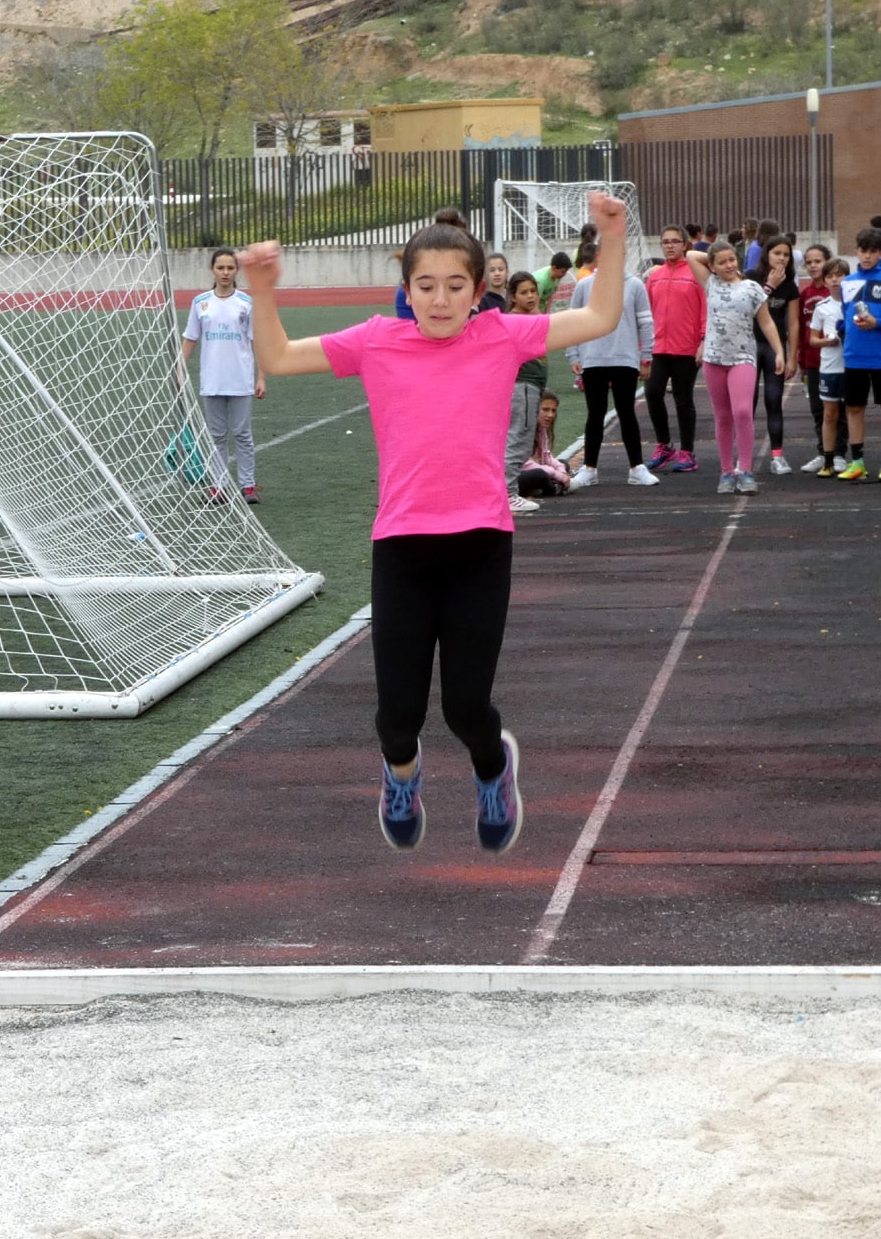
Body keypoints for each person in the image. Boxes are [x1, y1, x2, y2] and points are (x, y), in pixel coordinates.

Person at [239, 192, 634, 855]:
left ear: (480, 290)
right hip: (401, 547)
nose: (440, 299)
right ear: (407, 290)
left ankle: (492, 772)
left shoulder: (502, 334)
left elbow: (598, 313)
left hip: (480, 545)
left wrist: (613, 234)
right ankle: (401, 779)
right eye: (426, 286)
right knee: (397, 719)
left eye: (455, 285)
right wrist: (259, 289)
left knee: (464, 709)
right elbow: (277, 358)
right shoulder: (375, 341)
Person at [685, 239, 784, 495]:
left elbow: (767, 323)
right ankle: (727, 471)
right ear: (712, 266)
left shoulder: (751, 288)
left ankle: (746, 470)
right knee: (723, 416)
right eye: (722, 261)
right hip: (714, 359)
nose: (729, 265)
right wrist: (711, 257)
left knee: (742, 411)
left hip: (743, 358)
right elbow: (690, 255)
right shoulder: (710, 283)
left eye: (732, 259)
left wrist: (779, 351)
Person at [566, 242, 656, 488]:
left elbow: (645, 323)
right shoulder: (585, 286)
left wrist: (646, 355)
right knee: (595, 414)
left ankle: (637, 467)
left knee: (627, 413)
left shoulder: (635, 286)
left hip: (625, 359)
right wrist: (573, 354)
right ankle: (589, 469)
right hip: (593, 359)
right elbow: (573, 321)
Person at [180, 247, 265, 506]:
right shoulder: (200, 303)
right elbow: (190, 338)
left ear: (237, 271)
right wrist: (179, 369)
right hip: (212, 380)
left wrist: (261, 377)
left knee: (242, 434)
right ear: (212, 270)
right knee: (216, 435)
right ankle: (218, 485)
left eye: (230, 268)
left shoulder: (247, 303)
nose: (225, 273)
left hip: (240, 379)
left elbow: (257, 342)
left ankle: (248, 485)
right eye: (221, 268)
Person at [835, 226, 881, 481]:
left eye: (872, 252)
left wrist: (877, 324)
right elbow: (846, 316)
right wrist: (843, 328)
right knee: (854, 407)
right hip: (854, 355)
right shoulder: (847, 283)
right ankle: (857, 462)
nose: (866, 256)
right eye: (862, 251)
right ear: (856, 252)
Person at [643, 226, 704, 472]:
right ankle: (665, 445)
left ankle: (687, 452)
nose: (669, 246)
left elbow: (705, 310)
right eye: (665, 242)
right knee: (653, 392)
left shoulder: (695, 275)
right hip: (658, 348)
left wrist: (703, 340)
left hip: (685, 349)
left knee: (683, 399)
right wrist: (642, 347)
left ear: (685, 245)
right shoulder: (654, 277)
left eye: (675, 241)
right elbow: (645, 314)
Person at [752, 235, 801, 475]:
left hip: (775, 349)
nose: (781, 258)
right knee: (745, 405)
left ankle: (777, 456)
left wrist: (792, 357)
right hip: (749, 348)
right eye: (777, 253)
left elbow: (793, 323)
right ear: (766, 255)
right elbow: (747, 308)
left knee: (774, 400)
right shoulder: (751, 277)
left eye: (785, 254)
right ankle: (744, 456)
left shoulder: (790, 285)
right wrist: (768, 284)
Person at [795, 244, 845, 468]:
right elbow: (801, 329)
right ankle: (823, 451)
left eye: (818, 261)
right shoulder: (805, 294)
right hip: (813, 361)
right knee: (818, 409)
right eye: (809, 262)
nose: (813, 266)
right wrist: (801, 360)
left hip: (837, 361)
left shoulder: (835, 293)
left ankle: (840, 453)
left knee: (839, 409)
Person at [504, 272, 549, 515]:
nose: (531, 296)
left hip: (529, 388)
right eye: (524, 292)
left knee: (518, 442)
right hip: (523, 388)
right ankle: (508, 494)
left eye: (533, 290)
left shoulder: (530, 317)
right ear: (513, 296)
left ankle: (506, 493)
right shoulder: (516, 320)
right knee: (518, 443)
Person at [808, 257, 851, 476]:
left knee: (852, 412)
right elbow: (813, 339)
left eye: (839, 275)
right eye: (830, 276)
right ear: (825, 281)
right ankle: (828, 457)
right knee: (829, 414)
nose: (835, 280)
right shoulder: (821, 307)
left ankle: (845, 456)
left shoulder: (854, 304)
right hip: (829, 367)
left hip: (851, 367)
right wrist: (826, 341)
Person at [517, 391, 574, 499]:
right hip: (514, 474)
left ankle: (541, 487)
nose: (550, 415)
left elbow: (547, 455)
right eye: (545, 410)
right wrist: (555, 474)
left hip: (536, 468)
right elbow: (523, 463)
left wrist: (561, 470)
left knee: (563, 463)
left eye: (553, 411)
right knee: (540, 475)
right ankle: (554, 488)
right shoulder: (520, 429)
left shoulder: (541, 429)